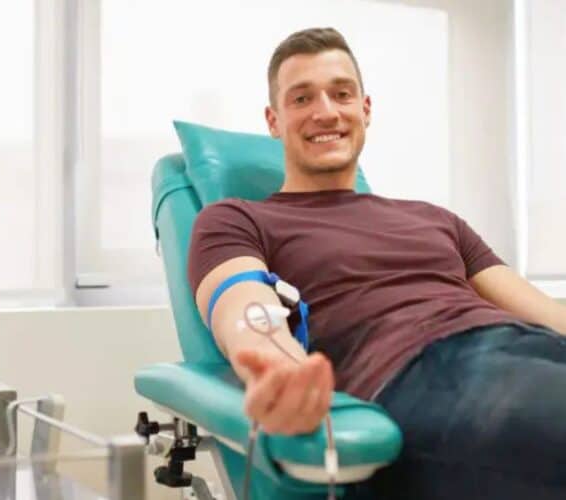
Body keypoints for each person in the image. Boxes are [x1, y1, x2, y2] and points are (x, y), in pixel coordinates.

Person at [187, 27, 566, 500]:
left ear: (365, 109)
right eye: (302, 98)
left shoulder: (435, 219)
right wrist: (278, 367)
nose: (326, 111)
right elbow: (243, 307)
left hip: (527, 349)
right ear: (274, 120)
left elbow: (544, 313)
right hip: (421, 376)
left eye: (341, 94)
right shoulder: (238, 219)